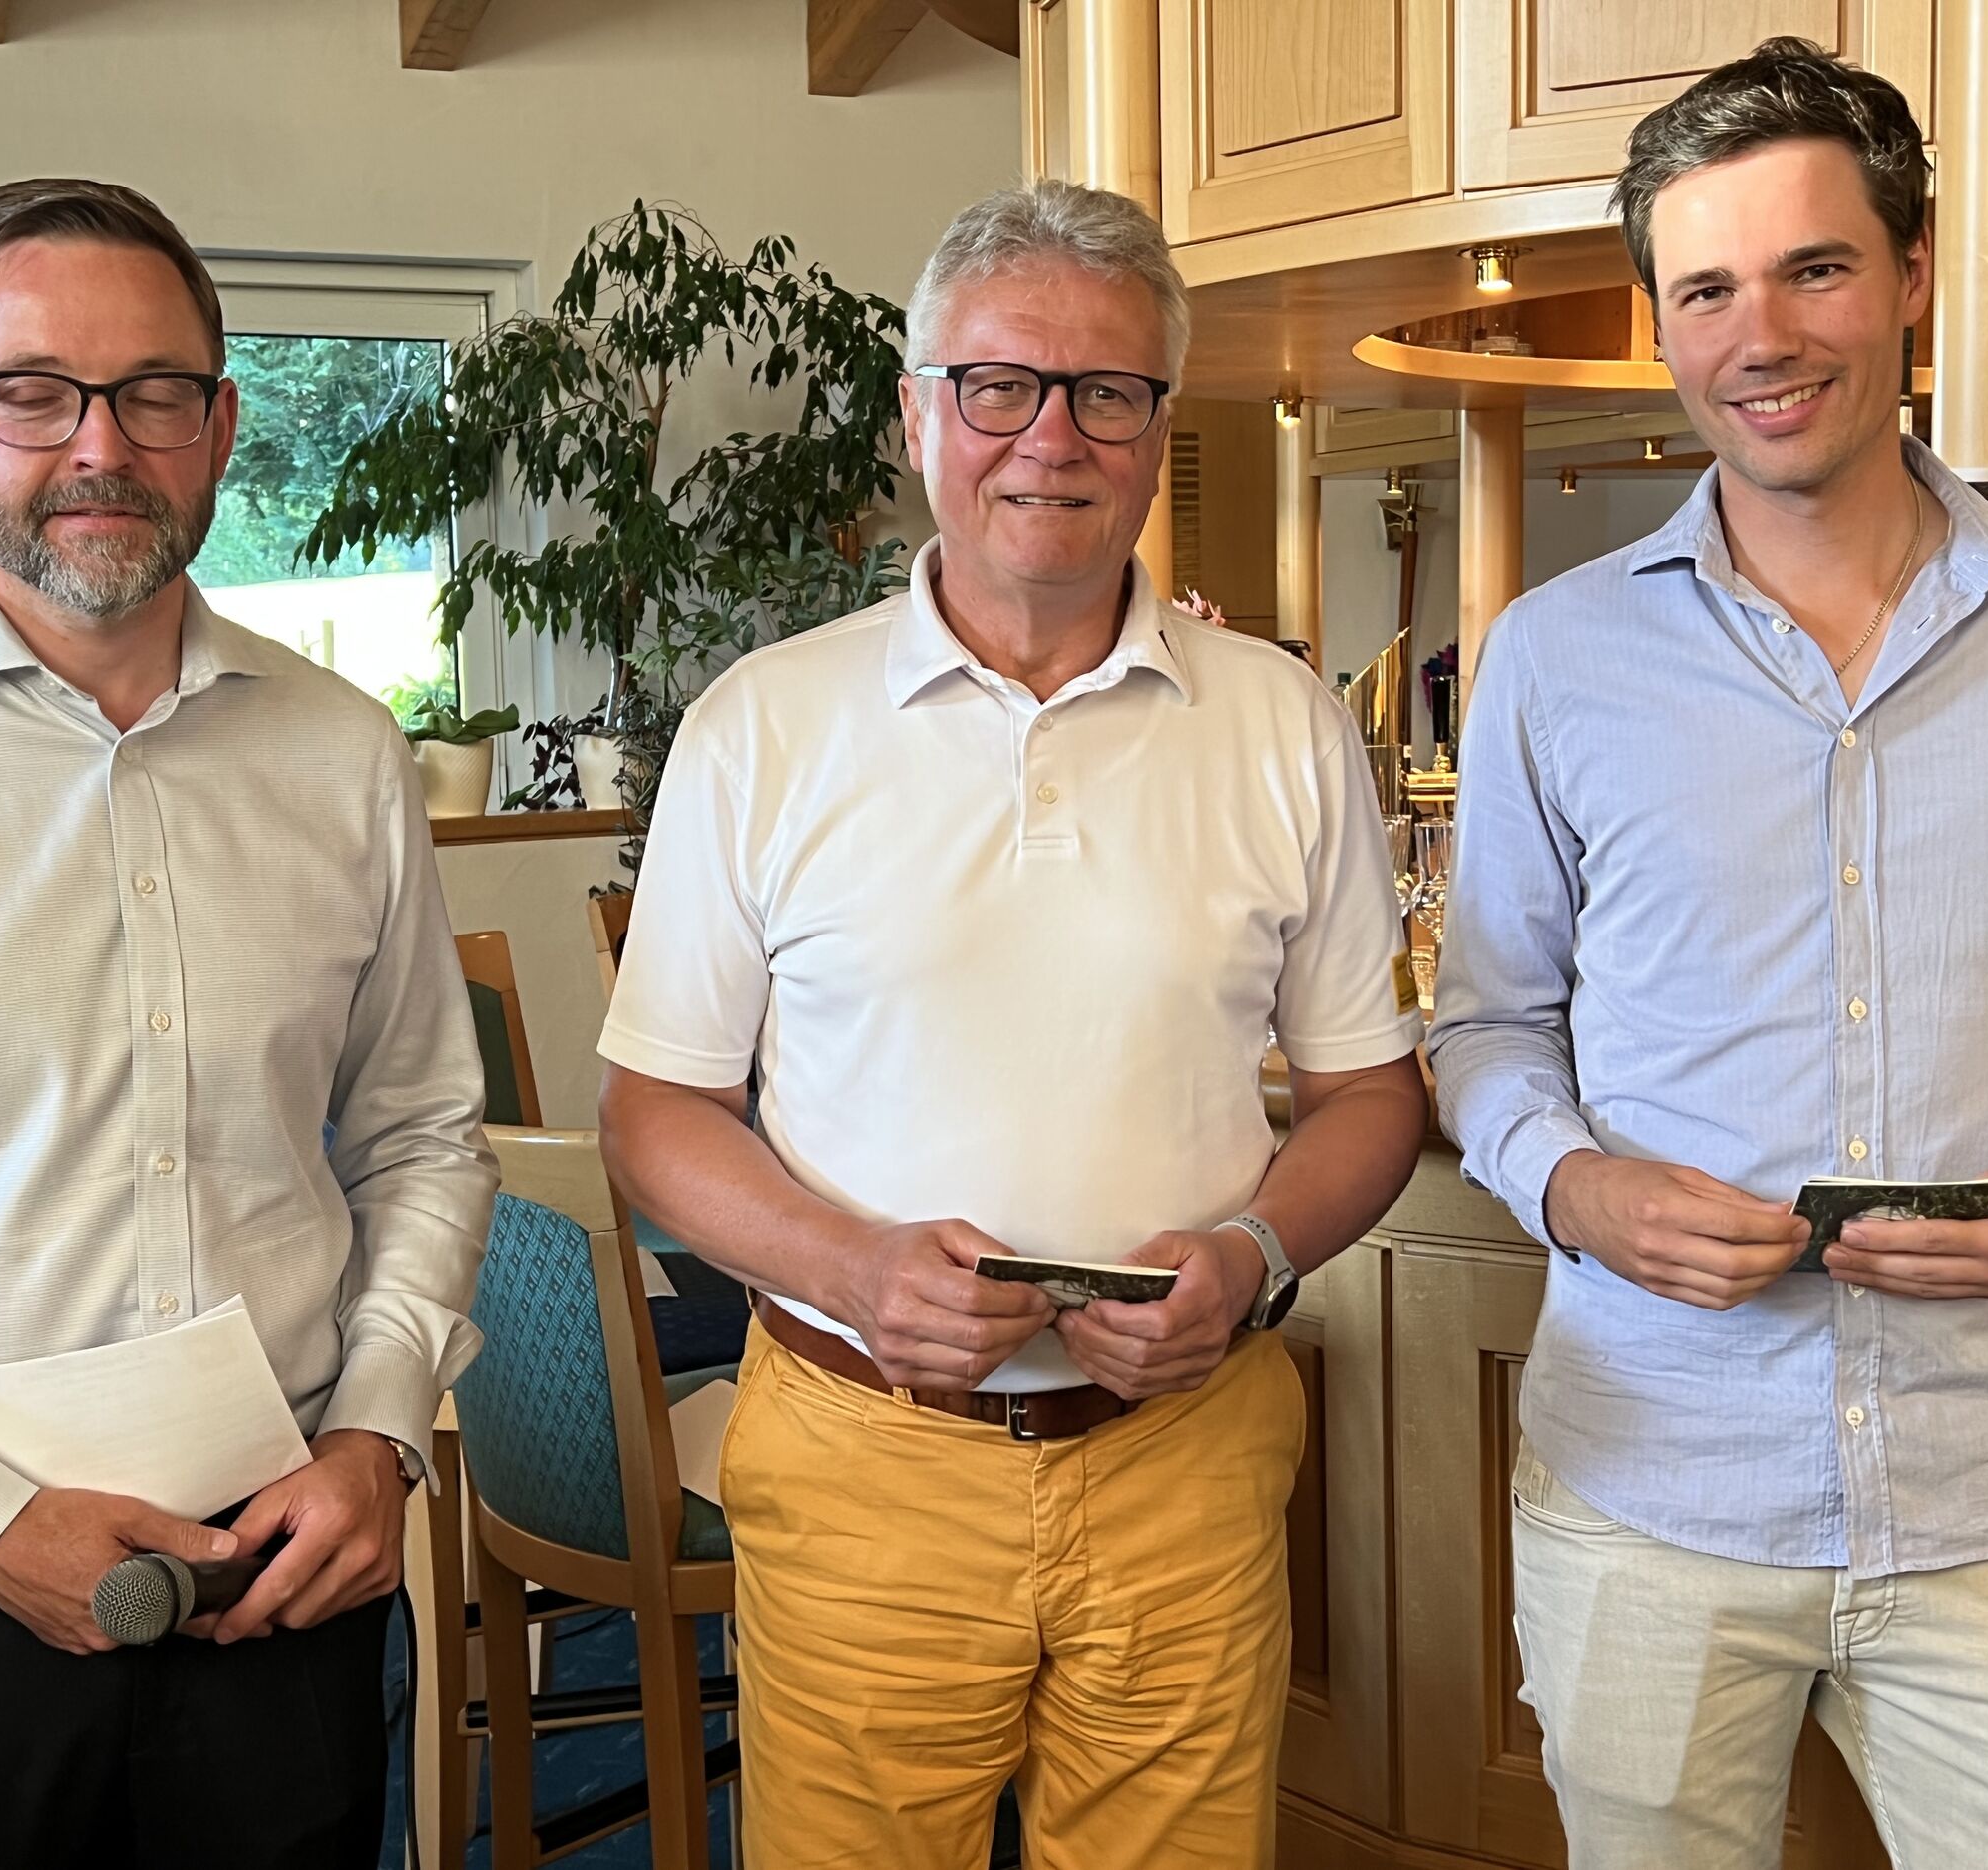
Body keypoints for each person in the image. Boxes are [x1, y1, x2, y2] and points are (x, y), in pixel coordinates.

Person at [1430, 37, 1988, 1868]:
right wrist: (1577, 1190)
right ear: (1660, 323)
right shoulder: (1554, 653)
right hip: (1652, 1488)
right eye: (1706, 289)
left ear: (1913, 273)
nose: (1761, 335)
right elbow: (1488, 1027)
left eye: (1814, 268)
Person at [597, 179, 1429, 1869]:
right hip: (863, 1459)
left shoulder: (1282, 724)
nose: (1050, 435)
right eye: (999, 385)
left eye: (1105, 392)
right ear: (919, 413)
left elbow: (1371, 1099)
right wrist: (850, 1268)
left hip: (1183, 1459)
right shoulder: (764, 727)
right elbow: (655, 1113)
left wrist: (1255, 1253)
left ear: (1156, 431)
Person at [0, 179, 497, 1869]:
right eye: (30, 391)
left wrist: (379, 1430)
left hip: (281, 1571)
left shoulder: (341, 753)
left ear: (222, 424)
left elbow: (420, 1136)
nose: (99, 445)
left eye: (155, 392)